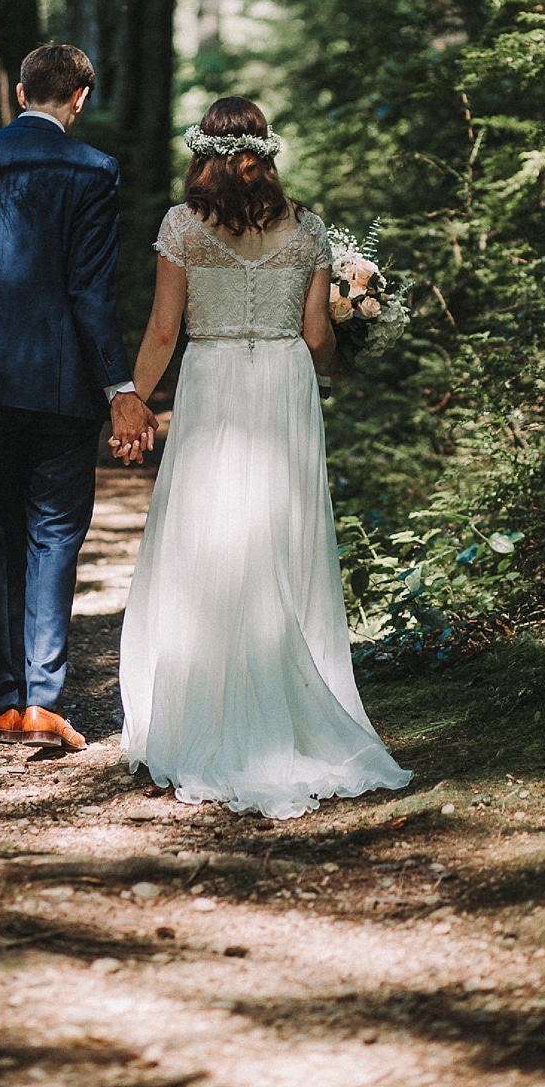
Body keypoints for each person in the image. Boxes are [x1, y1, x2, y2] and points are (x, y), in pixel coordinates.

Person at [117, 97, 412, 818]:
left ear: (204, 150)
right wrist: (343, 361)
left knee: (210, 534)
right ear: (267, 150)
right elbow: (316, 335)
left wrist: (130, 398)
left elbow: (163, 329)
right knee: (281, 537)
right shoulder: (306, 227)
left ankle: (201, 712)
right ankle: (291, 703)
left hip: (215, 378)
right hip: (283, 383)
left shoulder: (183, 224)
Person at [0, 44, 159, 752]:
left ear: (21, 90)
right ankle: (44, 698)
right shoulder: (93, 169)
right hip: (61, 386)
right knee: (54, 533)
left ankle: (4, 701)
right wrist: (119, 385)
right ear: (78, 99)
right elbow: (90, 289)